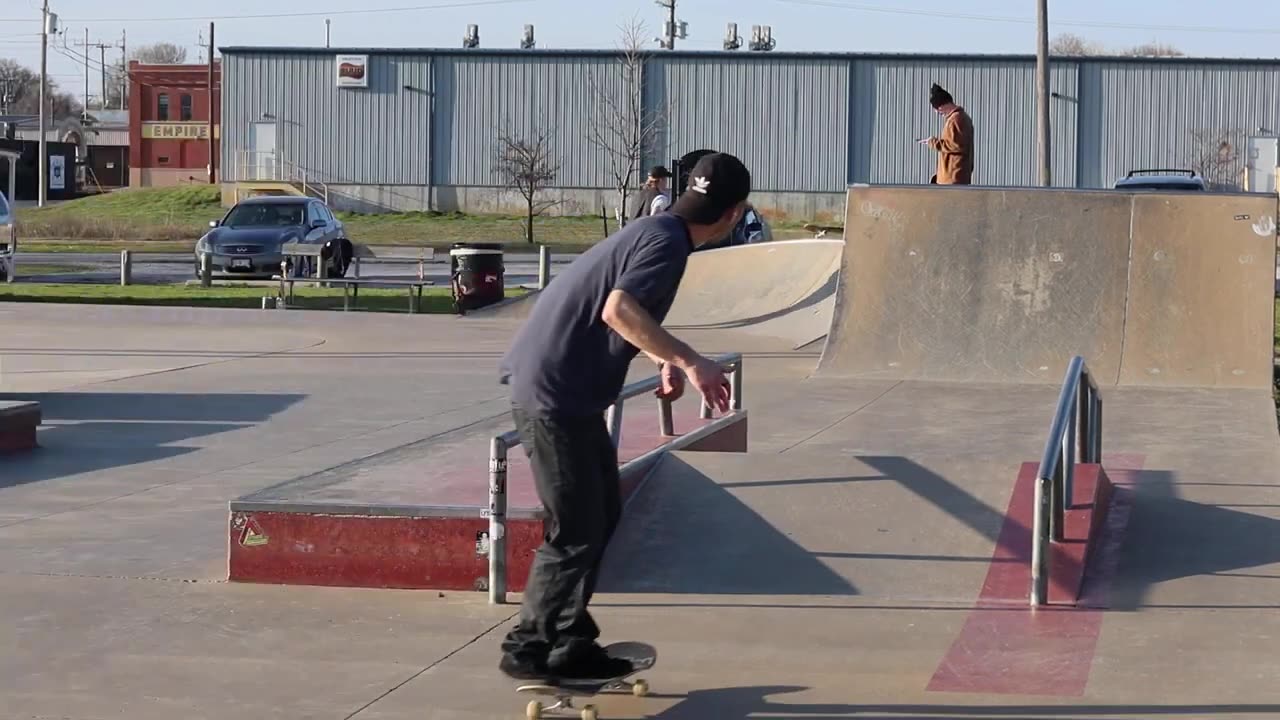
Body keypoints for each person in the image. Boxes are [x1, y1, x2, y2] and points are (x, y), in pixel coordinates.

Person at [496, 152, 751, 681]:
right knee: (575, 528)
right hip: (554, 394)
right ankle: (527, 647)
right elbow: (618, 309)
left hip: (567, 391)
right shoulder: (667, 243)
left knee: (602, 513)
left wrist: (660, 357)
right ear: (735, 214)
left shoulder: (658, 228)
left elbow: (618, 312)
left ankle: (569, 641)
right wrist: (690, 360)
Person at [924, 83, 975, 185]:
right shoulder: (960, 118)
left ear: (944, 105)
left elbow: (955, 145)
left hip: (953, 177)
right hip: (953, 175)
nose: (938, 112)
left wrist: (933, 143)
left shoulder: (956, 120)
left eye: (938, 109)